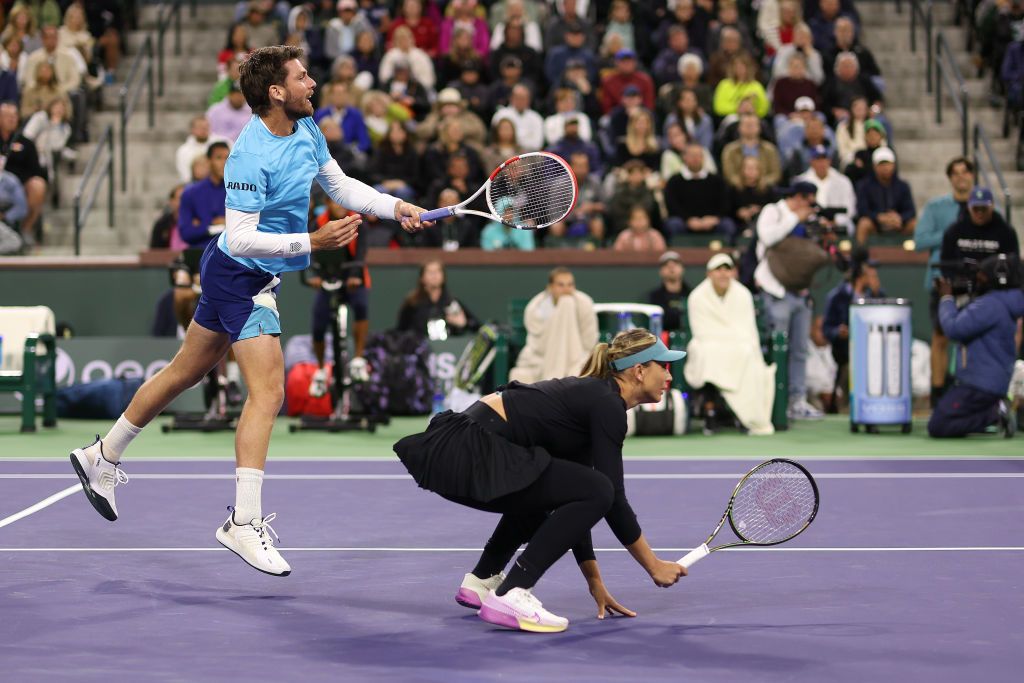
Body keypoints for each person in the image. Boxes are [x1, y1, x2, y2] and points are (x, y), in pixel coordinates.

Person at [68, 45, 428, 577]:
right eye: (303, 77)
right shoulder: (248, 154)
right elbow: (239, 236)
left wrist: (393, 207)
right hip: (239, 275)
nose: (313, 83)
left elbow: (339, 185)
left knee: (184, 373)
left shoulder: (307, 128)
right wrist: (312, 241)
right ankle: (243, 521)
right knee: (269, 392)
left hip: (248, 272)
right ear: (277, 91)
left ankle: (104, 454)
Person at [393, 328, 687, 633]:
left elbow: (575, 500)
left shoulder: (595, 397)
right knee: (599, 489)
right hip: (468, 452)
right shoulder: (606, 404)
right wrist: (654, 566)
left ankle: (482, 580)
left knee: (564, 486)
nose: (669, 377)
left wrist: (594, 583)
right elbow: (610, 496)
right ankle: (512, 592)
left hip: (456, 450)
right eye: (663, 367)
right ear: (639, 371)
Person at [929, 255, 1024, 438]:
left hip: (978, 385)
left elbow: (954, 329)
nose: (978, 280)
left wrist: (947, 298)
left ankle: (996, 415)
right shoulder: (1003, 302)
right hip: (990, 382)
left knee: (939, 425)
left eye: (982, 276)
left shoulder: (990, 304)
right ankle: (995, 412)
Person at [754, 181, 826, 420]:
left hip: (801, 293)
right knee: (777, 350)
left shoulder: (809, 218)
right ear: (798, 197)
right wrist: (795, 218)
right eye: (808, 200)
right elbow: (767, 236)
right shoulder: (773, 211)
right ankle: (775, 401)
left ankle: (797, 401)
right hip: (776, 291)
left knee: (799, 351)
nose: (810, 205)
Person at [685, 253, 776, 435]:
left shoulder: (743, 294)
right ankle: (711, 413)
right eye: (718, 270)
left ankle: (745, 416)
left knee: (749, 355)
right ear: (709, 274)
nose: (723, 274)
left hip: (738, 345)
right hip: (709, 344)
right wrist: (726, 341)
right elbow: (701, 331)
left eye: (727, 269)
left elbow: (747, 330)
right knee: (705, 353)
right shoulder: (697, 297)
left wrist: (733, 342)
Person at [914, 157, 975, 407]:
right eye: (955, 173)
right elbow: (920, 241)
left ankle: (971, 391)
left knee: (971, 341)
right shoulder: (936, 207)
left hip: (975, 283)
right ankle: (937, 395)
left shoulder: (983, 207)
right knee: (940, 338)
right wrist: (953, 233)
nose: (961, 177)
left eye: (965, 172)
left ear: (972, 176)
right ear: (950, 179)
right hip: (943, 282)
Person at [510, 267, 598, 383]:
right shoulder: (537, 309)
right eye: (561, 285)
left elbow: (589, 340)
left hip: (578, 357)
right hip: (542, 358)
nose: (566, 289)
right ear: (550, 287)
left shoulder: (584, 305)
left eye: (570, 284)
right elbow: (537, 345)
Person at [822, 248, 882, 409]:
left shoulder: (876, 295)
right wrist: (838, 332)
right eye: (870, 271)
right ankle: (850, 407)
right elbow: (826, 329)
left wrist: (877, 295)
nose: (874, 275)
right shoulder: (837, 297)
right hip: (846, 351)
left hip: (874, 349)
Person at [396, 259, 479, 339]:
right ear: (422, 277)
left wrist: (464, 324)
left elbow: (477, 327)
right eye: (430, 272)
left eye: (438, 271)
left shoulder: (452, 303)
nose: (434, 275)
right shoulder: (413, 303)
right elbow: (401, 331)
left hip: (448, 350)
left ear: (443, 276)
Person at [855, 146, 915, 244]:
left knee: (914, 224)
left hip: (898, 223)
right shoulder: (864, 186)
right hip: (875, 224)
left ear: (893, 165)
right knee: (864, 224)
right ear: (874, 166)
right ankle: (859, 256)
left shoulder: (903, 185)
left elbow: (911, 210)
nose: (885, 168)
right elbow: (862, 210)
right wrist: (879, 217)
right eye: (881, 164)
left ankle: (918, 257)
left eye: (888, 164)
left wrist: (899, 218)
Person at [177, 142, 229, 250]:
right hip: (200, 255)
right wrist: (213, 223)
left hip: (232, 255)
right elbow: (186, 233)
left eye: (227, 158)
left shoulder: (238, 191)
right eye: (219, 158)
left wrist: (201, 225)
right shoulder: (190, 193)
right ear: (208, 161)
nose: (224, 162)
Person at [796, 144, 856, 235]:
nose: (821, 163)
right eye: (818, 159)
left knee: (849, 227)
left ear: (829, 161)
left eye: (824, 159)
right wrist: (818, 222)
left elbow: (850, 208)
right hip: (810, 224)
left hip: (838, 224)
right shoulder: (801, 182)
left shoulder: (843, 181)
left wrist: (835, 221)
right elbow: (798, 208)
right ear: (811, 162)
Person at [647, 250, 691, 332]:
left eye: (675, 264)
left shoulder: (692, 295)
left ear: (682, 268)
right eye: (666, 265)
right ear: (660, 271)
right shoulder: (654, 297)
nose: (671, 267)